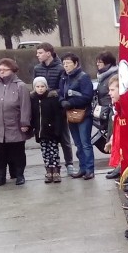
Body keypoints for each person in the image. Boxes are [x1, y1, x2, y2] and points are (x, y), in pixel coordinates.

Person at [0, 58, 31, 187]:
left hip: (15, 126)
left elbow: (25, 106)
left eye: (4, 69)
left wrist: (24, 123)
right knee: (0, 155)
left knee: (18, 153)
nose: (1, 72)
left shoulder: (20, 86)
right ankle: (0, 177)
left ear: (12, 70)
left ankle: (19, 175)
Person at [33, 42, 75, 176]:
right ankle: (51, 166)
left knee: (63, 137)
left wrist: (53, 92)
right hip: (43, 108)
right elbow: (36, 84)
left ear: (48, 53)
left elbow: (64, 87)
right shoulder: (37, 68)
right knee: (47, 140)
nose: (37, 55)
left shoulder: (60, 68)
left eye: (40, 53)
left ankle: (69, 164)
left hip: (57, 106)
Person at [58, 52, 95, 180]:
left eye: (68, 63)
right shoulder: (63, 77)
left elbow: (87, 96)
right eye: (64, 63)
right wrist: (62, 101)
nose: (66, 66)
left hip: (83, 114)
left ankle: (90, 169)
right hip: (70, 114)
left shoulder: (83, 77)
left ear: (76, 64)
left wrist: (71, 102)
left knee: (85, 143)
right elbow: (60, 93)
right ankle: (82, 168)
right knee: (78, 143)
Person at [31, 76, 64, 184]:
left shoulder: (52, 98)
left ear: (46, 87)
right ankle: (48, 171)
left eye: (42, 86)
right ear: (34, 87)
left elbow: (58, 116)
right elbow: (33, 116)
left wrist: (58, 130)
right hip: (41, 131)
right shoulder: (33, 99)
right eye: (38, 86)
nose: (40, 89)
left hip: (52, 130)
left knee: (54, 151)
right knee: (45, 152)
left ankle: (56, 171)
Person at [94, 51, 119, 178]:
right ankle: (115, 165)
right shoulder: (102, 76)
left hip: (112, 110)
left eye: (100, 61)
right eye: (97, 61)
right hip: (106, 111)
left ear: (108, 63)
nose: (98, 64)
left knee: (115, 138)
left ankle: (118, 166)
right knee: (111, 138)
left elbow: (110, 95)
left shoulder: (113, 76)